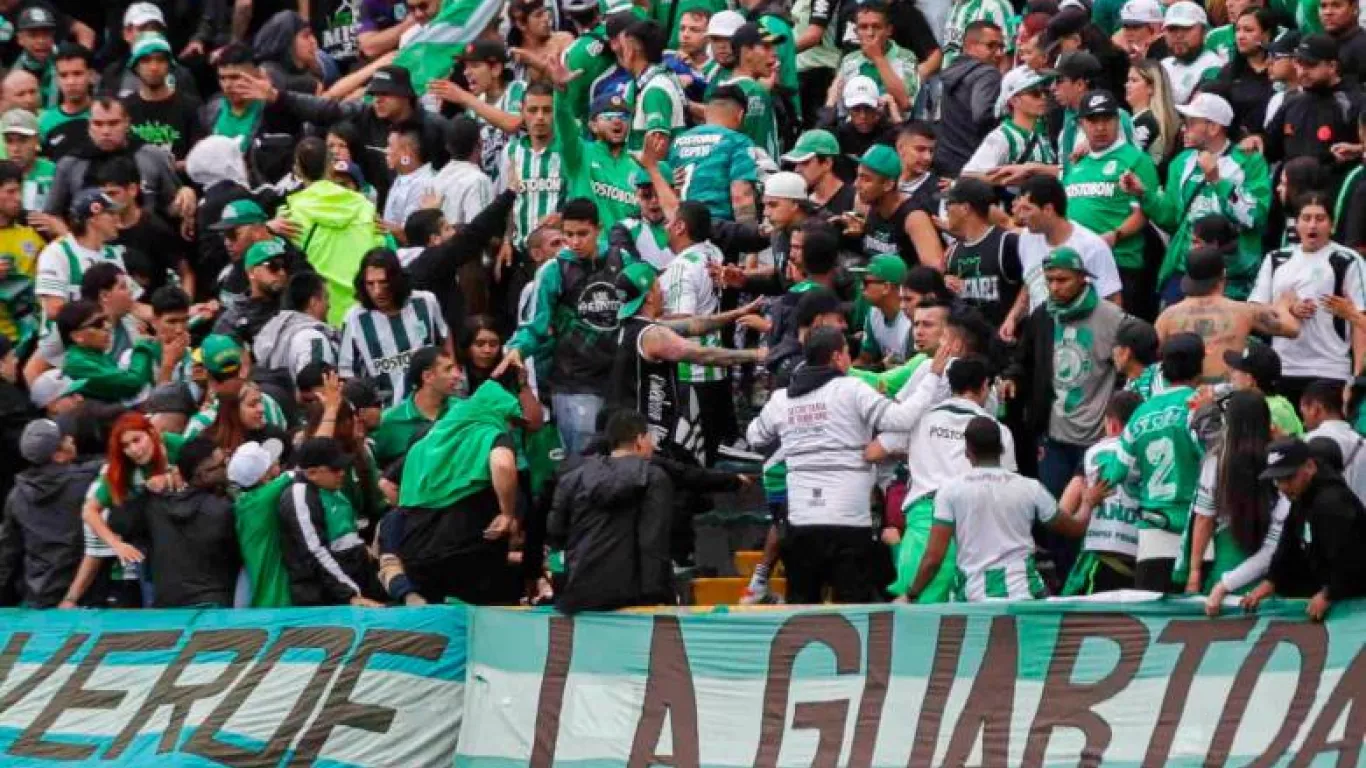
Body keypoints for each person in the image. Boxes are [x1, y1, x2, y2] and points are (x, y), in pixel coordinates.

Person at [746, 327, 953, 603]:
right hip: (849, 524)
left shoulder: (781, 400)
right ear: (837, 358)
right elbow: (901, 419)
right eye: (846, 352)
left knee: (801, 611)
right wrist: (932, 377)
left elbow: (755, 436)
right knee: (853, 615)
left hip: (801, 524)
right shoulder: (852, 389)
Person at [905, 415, 1089, 602]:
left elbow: (933, 559)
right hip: (1025, 595)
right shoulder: (1030, 488)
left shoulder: (950, 492)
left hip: (974, 599)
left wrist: (910, 595)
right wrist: (1089, 502)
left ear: (967, 451)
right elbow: (1074, 528)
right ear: (1002, 448)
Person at [880, 355, 1020, 601]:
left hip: (925, 522)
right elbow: (1007, 486)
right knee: (969, 620)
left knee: (917, 617)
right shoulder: (996, 430)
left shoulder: (920, 420)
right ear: (985, 386)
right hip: (976, 527)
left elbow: (877, 449)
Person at [1003, 247, 1133, 502]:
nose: (1054, 287)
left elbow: (1132, 365)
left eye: (1062, 280)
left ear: (1082, 277)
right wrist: (1011, 378)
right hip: (1053, 436)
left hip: (1098, 437)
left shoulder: (1112, 318)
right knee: (1052, 507)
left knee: (1092, 508)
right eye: (1049, 280)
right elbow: (1022, 360)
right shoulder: (1042, 316)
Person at [501, 198, 628, 455]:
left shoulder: (621, 260)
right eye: (568, 234)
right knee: (583, 460)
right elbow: (535, 324)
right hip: (575, 381)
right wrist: (517, 349)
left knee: (624, 458)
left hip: (622, 376)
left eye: (583, 234)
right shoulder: (554, 269)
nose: (575, 242)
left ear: (599, 229)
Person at [1121, 92, 1270, 301]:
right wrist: (1144, 194)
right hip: (1185, 268)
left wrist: (1218, 181)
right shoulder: (1180, 163)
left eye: (1191, 123)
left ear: (1213, 127)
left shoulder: (1249, 162)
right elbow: (1171, 219)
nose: (1184, 128)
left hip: (1231, 275)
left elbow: (1256, 217)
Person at [613, 258, 765, 464]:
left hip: (635, 431)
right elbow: (704, 355)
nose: (663, 292)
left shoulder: (634, 325)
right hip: (647, 439)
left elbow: (693, 325)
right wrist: (756, 354)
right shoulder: (651, 335)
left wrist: (737, 314)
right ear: (648, 297)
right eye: (658, 287)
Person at [395, 380, 522, 604]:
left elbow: (387, 483)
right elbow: (502, 464)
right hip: (467, 549)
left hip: (416, 549)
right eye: (511, 420)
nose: (512, 427)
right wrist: (507, 513)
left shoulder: (425, 441)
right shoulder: (489, 432)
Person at [1102, 332, 1206, 591]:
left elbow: (1114, 473)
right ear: (1200, 367)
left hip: (1154, 531)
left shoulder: (1140, 414)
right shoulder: (1200, 409)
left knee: (1152, 617)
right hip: (1197, 532)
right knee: (1200, 623)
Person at [549, 408, 676, 612]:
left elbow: (555, 539)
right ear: (640, 440)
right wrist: (655, 595)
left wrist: (559, 585)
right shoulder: (654, 478)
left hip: (578, 595)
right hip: (633, 598)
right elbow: (653, 541)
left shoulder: (571, 479)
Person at [1249, 192, 1366, 404]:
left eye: (1320, 219)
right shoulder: (1276, 259)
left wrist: (1355, 377)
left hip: (1330, 370)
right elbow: (1255, 313)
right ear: (1296, 223)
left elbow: (1359, 319)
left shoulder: (1346, 260)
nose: (1312, 225)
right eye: (1306, 218)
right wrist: (1287, 308)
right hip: (1283, 367)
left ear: (1332, 224)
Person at [107, 436, 238, 608]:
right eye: (222, 464)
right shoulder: (224, 510)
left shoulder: (156, 507)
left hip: (168, 610)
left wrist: (144, 491)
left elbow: (117, 522)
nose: (228, 468)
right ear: (203, 475)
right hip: (214, 606)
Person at [1063, 90, 1161, 317]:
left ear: (1118, 120)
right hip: (1077, 265)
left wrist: (1114, 235)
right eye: (1093, 120)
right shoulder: (1076, 162)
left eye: (1107, 119)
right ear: (1081, 124)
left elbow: (1144, 212)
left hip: (1119, 262)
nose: (1100, 127)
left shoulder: (1136, 160)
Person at [1245, 437, 1366, 621]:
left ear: (1309, 467)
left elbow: (1352, 558)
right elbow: (1288, 542)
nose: (1283, 486)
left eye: (1289, 477)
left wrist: (1329, 594)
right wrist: (1271, 581)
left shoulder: (1333, 503)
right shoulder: (1301, 496)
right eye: (1277, 480)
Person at [279, 142, 388, 322]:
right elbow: (383, 250)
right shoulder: (366, 207)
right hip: (368, 311)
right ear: (331, 165)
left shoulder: (288, 215)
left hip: (323, 314)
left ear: (297, 170)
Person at [1184, 390, 1277, 597]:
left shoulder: (1217, 461)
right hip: (1274, 565)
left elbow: (1204, 518)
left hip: (1228, 559)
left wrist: (1194, 572)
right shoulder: (1278, 459)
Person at [1155, 247, 1300, 378]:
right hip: (1228, 398)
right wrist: (1283, 305)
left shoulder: (1168, 316)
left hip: (1185, 396)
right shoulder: (1244, 311)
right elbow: (1292, 329)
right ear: (1223, 275)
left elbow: (1151, 356)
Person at [0, 418, 99, 607]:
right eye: (64, 439)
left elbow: (7, 555)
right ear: (58, 455)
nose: (71, 438)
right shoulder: (87, 481)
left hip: (38, 596)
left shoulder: (16, 495)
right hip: (85, 597)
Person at [45, 98, 191, 223]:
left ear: (127, 123)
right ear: (89, 126)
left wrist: (187, 194)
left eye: (113, 123)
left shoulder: (152, 156)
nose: (106, 131)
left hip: (144, 242)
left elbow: (172, 207)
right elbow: (52, 214)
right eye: (98, 124)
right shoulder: (71, 163)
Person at [278, 436, 384, 607]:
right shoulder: (299, 496)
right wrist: (350, 595)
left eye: (342, 467)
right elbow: (314, 551)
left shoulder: (331, 489)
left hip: (350, 582)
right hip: (324, 597)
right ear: (312, 473)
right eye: (335, 469)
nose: (342, 473)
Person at [1007, 175, 1123, 329]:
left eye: (1027, 209)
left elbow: (1113, 300)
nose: (1021, 216)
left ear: (1048, 209)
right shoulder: (1026, 239)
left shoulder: (1093, 246)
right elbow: (1030, 282)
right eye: (1019, 209)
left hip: (1080, 335)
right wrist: (1012, 318)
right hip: (1040, 333)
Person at [339, 247, 447, 407]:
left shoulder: (425, 302)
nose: (377, 291)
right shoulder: (354, 318)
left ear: (396, 280)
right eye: (370, 284)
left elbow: (445, 342)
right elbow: (347, 372)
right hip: (384, 413)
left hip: (432, 405)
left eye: (383, 283)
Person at [666, 85, 760, 224]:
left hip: (680, 226)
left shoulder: (677, 142)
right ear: (740, 115)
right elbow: (741, 193)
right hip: (716, 224)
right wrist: (748, 233)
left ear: (706, 112)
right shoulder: (737, 141)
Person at [849, 144, 943, 268]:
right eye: (858, 177)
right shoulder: (863, 204)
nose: (856, 184)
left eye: (866, 179)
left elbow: (935, 269)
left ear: (888, 185)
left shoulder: (914, 217)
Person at [934, 20, 1005, 176]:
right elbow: (982, 115)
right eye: (991, 46)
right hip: (973, 164)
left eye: (1001, 47)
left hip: (945, 160)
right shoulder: (988, 73)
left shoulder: (952, 70)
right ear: (970, 46)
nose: (999, 53)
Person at [371, 346, 458, 469]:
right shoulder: (389, 422)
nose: (456, 375)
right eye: (448, 370)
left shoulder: (462, 410)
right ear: (427, 377)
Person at [122, 33, 203, 164]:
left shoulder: (191, 107)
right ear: (135, 66)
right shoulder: (124, 108)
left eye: (160, 60)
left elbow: (199, 156)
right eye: (146, 60)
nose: (154, 67)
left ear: (169, 65)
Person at [252, 270, 337, 383]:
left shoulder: (275, 332)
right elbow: (316, 386)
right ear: (313, 302)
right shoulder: (312, 337)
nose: (329, 305)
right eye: (326, 298)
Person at [716, 22, 781, 160]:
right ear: (746, 52)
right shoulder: (755, 91)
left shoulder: (721, 90)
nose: (774, 53)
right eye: (766, 47)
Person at [211, 237, 287, 346]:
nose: (282, 272)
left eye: (283, 266)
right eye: (274, 266)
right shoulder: (233, 320)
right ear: (251, 272)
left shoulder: (297, 303)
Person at [1301, 378, 1366, 502]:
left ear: (1316, 408)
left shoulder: (1308, 442)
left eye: (1303, 412)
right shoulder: (1362, 443)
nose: (1304, 422)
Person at [39, 43, 94, 161]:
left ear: (91, 75)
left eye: (77, 74)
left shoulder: (105, 116)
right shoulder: (45, 122)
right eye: (63, 75)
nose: (71, 82)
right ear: (57, 79)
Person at [380, 125, 435, 237]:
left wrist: (379, 225)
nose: (386, 151)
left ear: (406, 152)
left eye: (390, 146)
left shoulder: (424, 184)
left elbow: (410, 235)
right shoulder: (402, 175)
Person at [1125, 59, 1180, 167]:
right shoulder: (1145, 119)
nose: (1127, 85)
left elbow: (1128, 158)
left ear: (1151, 88)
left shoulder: (1147, 122)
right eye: (1128, 80)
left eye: (1134, 80)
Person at [1, 108, 52, 213]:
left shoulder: (54, 172)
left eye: (22, 140)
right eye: (9, 141)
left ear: (37, 140)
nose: (15, 149)